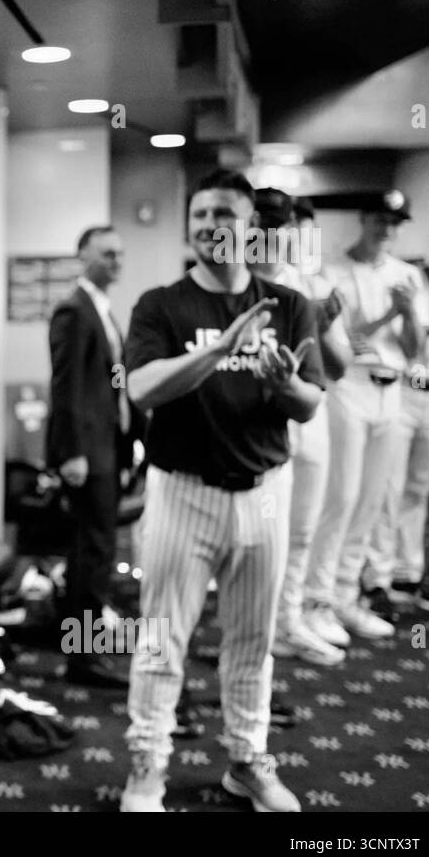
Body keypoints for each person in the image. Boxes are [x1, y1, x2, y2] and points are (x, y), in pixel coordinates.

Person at [120, 169, 326, 813]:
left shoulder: (288, 305)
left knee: (252, 642)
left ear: (250, 225)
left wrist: (283, 384)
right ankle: (147, 768)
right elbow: (142, 389)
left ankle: (246, 761)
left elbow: (310, 403)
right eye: (200, 215)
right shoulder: (161, 304)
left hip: (264, 492)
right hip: (182, 491)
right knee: (161, 641)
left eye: (224, 214)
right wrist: (219, 351)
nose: (210, 226)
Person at [303, 191, 424, 648]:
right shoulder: (332, 272)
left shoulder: (406, 274)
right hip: (349, 387)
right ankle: (317, 598)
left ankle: (346, 595)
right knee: (342, 496)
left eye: (394, 221)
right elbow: (345, 341)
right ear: (364, 219)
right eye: (379, 218)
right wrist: (391, 311)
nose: (386, 228)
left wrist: (408, 312)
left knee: (373, 500)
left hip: (391, 391)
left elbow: (414, 347)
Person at [250, 189, 350, 668]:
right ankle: (258, 627)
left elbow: (341, 366)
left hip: (310, 422)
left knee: (303, 532)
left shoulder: (309, 284)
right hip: (258, 430)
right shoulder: (235, 286)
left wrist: (323, 323)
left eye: (280, 227)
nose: (271, 235)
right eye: (262, 225)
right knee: (260, 538)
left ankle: (289, 620)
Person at [48, 225, 142, 688]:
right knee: (91, 555)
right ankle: (83, 659)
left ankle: (85, 650)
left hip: (108, 448)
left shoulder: (102, 310)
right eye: (107, 254)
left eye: (120, 253)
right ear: (83, 256)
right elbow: (65, 386)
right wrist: (71, 453)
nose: (116, 261)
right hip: (87, 455)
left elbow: (114, 383)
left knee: (95, 554)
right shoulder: (74, 310)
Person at [365, 217, 429, 613]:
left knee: (419, 489)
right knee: (388, 486)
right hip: (405, 389)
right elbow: (402, 340)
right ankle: (377, 577)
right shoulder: (408, 277)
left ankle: (408, 574)